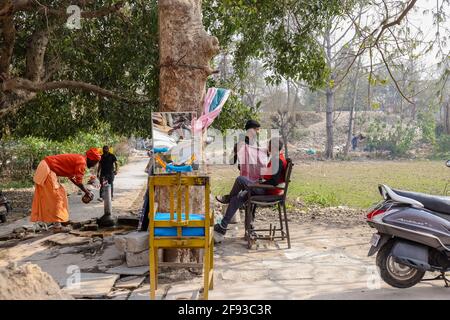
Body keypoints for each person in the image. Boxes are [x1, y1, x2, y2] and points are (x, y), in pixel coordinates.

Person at [214, 137, 287, 243]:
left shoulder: (277, 160)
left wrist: (258, 184)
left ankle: (228, 198)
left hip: (268, 191)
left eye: (269, 145)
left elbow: (274, 181)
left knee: (240, 180)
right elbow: (271, 177)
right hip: (265, 189)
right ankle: (223, 226)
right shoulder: (277, 158)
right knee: (238, 197)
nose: (268, 147)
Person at [31, 148, 101, 233]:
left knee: (61, 194)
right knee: (57, 198)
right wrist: (87, 192)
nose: (95, 165)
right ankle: (57, 227)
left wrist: (86, 191)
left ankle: (61, 220)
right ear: (91, 159)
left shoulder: (80, 159)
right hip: (47, 169)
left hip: (47, 168)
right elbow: (78, 181)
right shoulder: (82, 162)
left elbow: (72, 178)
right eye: (95, 162)